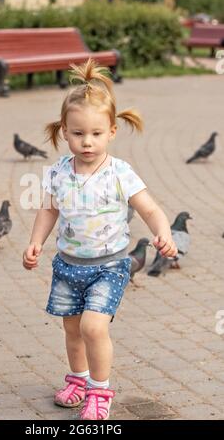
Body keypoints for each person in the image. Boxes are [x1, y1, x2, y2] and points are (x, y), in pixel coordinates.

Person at [23, 58, 177, 420]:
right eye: (78, 134)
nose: (86, 142)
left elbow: (150, 210)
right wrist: (36, 242)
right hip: (67, 266)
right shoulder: (60, 171)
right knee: (72, 330)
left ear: (111, 131)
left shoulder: (120, 173)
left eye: (95, 134)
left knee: (94, 327)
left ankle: (100, 390)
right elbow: (48, 210)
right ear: (64, 131)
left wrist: (163, 232)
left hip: (109, 266)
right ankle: (77, 380)